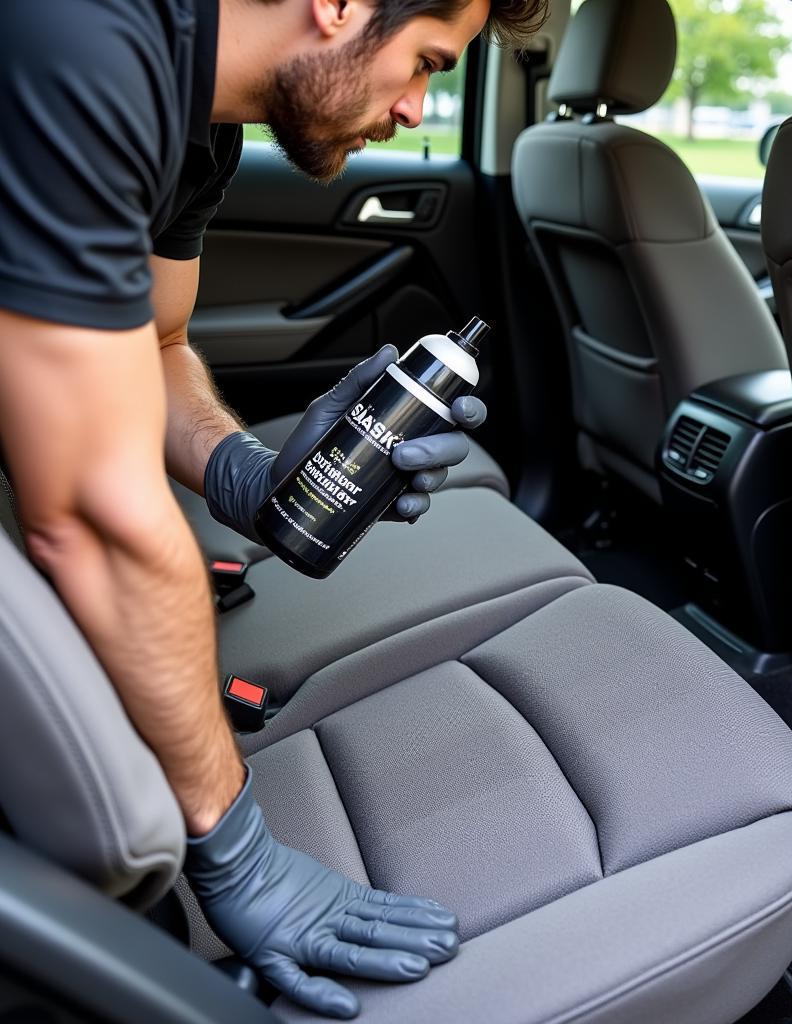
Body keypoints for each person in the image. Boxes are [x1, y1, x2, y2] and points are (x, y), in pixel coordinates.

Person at [0, 0, 547, 1018]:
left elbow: (158, 348)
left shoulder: (197, 124)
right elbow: (89, 514)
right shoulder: (85, 37)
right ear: (338, 4)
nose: (418, 109)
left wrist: (247, 475)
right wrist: (238, 845)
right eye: (427, 63)